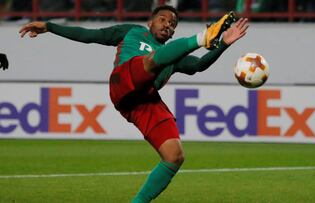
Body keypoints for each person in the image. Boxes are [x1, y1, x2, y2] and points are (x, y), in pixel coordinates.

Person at [19, 5, 249, 202]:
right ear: (150, 22)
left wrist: (224, 44)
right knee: (149, 62)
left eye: (172, 24)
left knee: (174, 155)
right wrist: (49, 26)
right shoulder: (132, 32)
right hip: (123, 81)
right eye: (163, 19)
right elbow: (89, 35)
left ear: (173, 34)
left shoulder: (174, 57)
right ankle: (203, 37)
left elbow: (199, 66)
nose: (168, 24)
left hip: (142, 101)